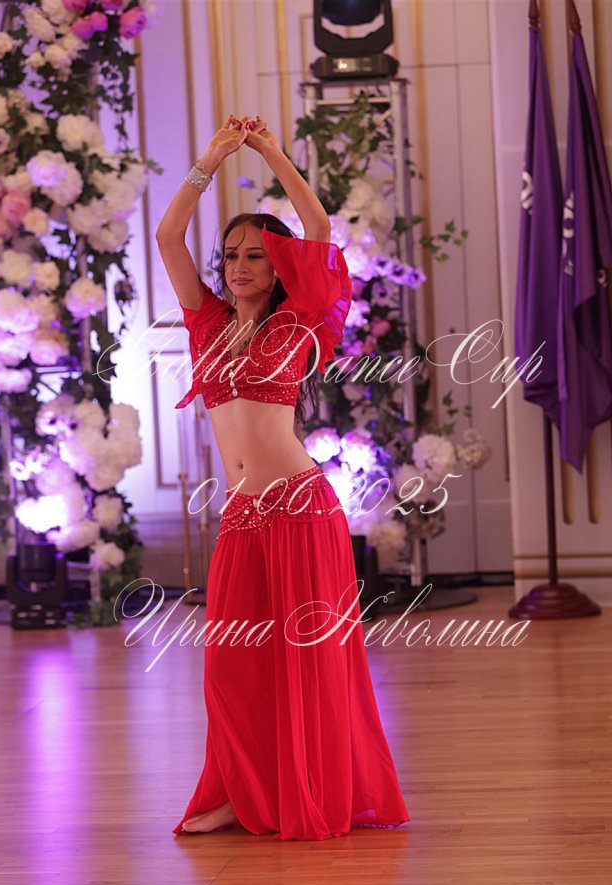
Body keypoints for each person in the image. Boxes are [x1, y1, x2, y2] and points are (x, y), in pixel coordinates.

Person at [156, 113, 410, 840]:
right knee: (232, 668)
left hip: (301, 508)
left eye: (257, 256)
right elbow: (169, 237)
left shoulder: (301, 321)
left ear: (278, 268)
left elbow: (318, 227)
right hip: (242, 512)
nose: (240, 266)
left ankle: (305, 789)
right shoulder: (205, 321)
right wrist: (209, 160)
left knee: (306, 663)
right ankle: (240, 791)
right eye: (232, 255)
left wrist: (270, 152)